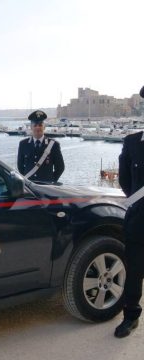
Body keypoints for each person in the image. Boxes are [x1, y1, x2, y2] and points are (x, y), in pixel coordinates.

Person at [114, 85, 144, 338]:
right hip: (138, 219)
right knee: (133, 270)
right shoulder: (132, 142)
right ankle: (130, 315)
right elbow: (125, 180)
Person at [17, 110, 64, 183]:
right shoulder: (23, 144)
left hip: (47, 188)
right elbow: (20, 167)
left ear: (44, 127)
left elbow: (60, 167)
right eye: (35, 125)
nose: (38, 128)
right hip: (30, 187)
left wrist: (51, 181)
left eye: (40, 125)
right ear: (31, 127)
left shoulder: (53, 145)